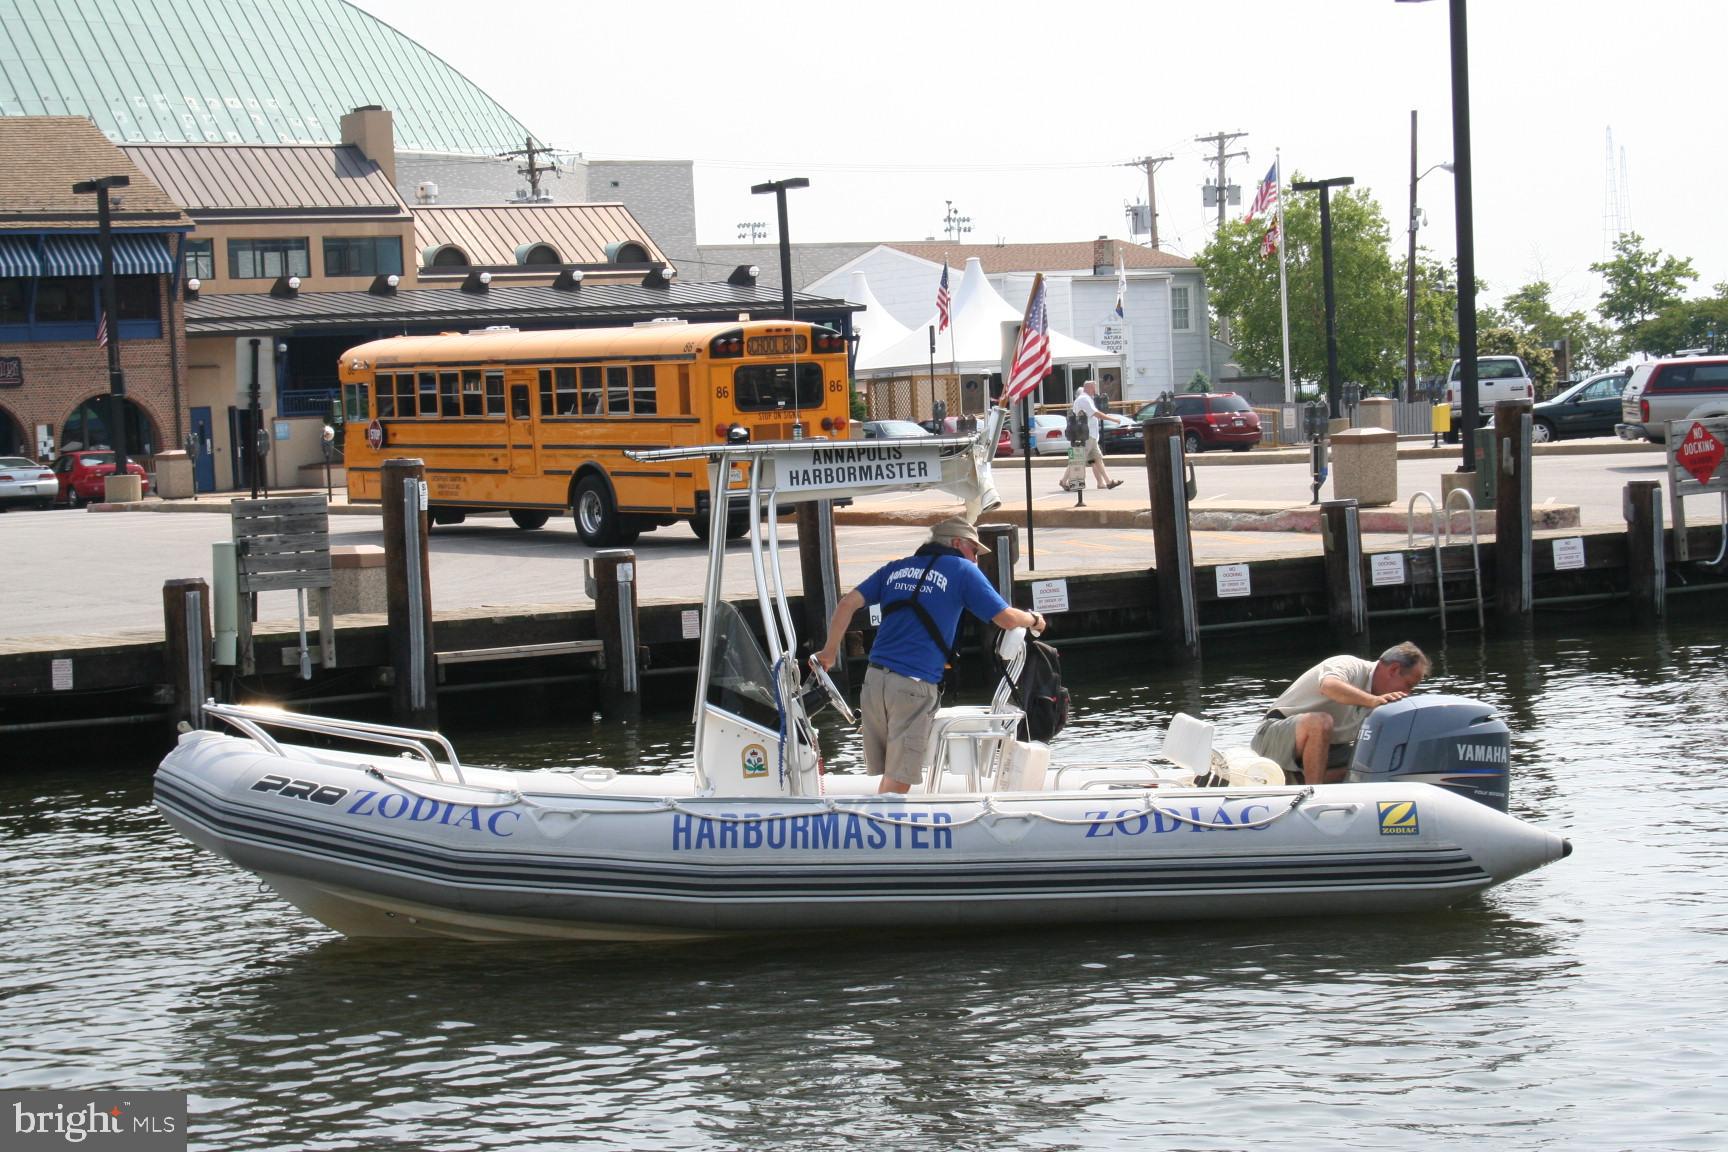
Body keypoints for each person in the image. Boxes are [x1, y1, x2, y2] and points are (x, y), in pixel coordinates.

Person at [816, 518, 1045, 794]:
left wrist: (829, 652)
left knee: (891, 772)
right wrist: (1034, 619)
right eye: (974, 551)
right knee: (899, 779)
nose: (975, 560)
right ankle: (886, 829)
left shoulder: (896, 568)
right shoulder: (962, 571)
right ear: (957, 543)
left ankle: (877, 817)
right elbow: (1006, 618)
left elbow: (846, 604)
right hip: (913, 685)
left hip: (874, 682)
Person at [1250, 642, 1430, 786]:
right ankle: (1313, 794)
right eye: (1408, 685)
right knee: (1320, 722)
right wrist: (1372, 701)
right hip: (1273, 734)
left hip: (1326, 747)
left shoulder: (1382, 702)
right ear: (1393, 670)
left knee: (1373, 759)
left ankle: (1298, 782)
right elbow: (1328, 686)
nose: (1408, 694)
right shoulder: (1349, 664)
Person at [1069, 380, 1123, 491]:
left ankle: (1106, 482)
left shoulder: (1086, 399)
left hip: (1091, 435)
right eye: (1094, 387)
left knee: (1097, 459)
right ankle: (1064, 481)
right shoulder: (1084, 399)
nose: (1096, 390)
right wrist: (1113, 419)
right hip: (1086, 434)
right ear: (1089, 388)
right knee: (1079, 459)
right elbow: (1097, 414)